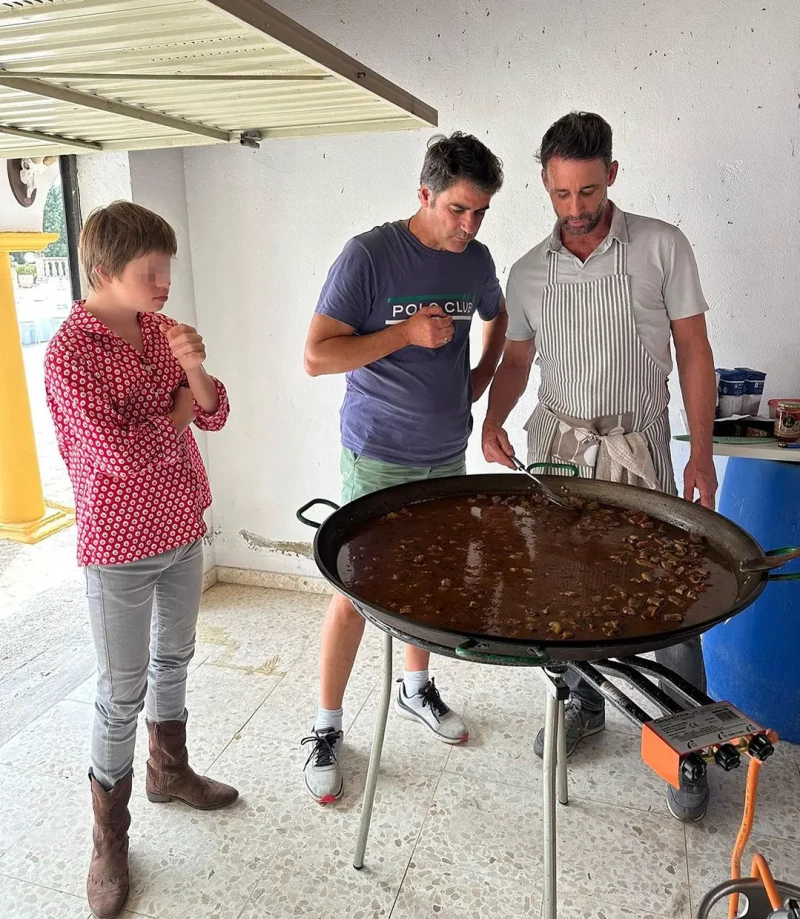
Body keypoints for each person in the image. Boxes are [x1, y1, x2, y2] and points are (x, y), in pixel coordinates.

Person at [482, 112, 717, 822]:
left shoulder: (661, 248)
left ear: (612, 174)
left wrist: (700, 447)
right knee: (564, 591)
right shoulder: (527, 271)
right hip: (559, 452)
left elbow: (694, 351)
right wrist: (492, 418)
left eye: (588, 191)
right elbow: (516, 360)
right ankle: (582, 703)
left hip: (639, 448)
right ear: (545, 185)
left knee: (669, 597)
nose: (576, 209)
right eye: (561, 194)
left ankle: (688, 745)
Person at [302, 132, 508, 804]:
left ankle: (416, 687)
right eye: (457, 209)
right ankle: (327, 726)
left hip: (446, 449)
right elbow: (315, 355)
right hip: (378, 454)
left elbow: (497, 315)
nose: (469, 225)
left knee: (431, 581)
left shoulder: (475, 259)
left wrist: (478, 376)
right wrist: (403, 333)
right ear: (424, 194)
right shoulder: (369, 255)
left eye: (480, 212)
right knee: (356, 592)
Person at [44, 201, 237, 919]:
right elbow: (121, 455)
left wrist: (192, 368)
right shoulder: (70, 353)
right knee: (120, 690)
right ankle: (109, 837)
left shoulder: (160, 331)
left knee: (175, 660)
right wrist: (181, 410)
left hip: (181, 524)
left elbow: (213, 411)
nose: (163, 283)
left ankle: (170, 770)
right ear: (103, 273)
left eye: (167, 269)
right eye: (149, 272)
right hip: (118, 547)